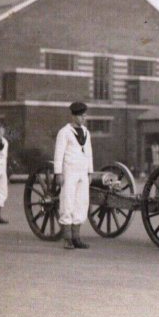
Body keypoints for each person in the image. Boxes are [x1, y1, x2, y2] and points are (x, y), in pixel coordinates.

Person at [54, 102, 94, 250]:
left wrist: (90, 171)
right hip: (69, 172)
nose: (84, 118)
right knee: (68, 202)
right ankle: (68, 239)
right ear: (74, 116)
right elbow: (58, 154)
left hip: (82, 172)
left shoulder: (86, 132)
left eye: (84, 115)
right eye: (81, 116)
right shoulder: (64, 132)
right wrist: (58, 173)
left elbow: (89, 153)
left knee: (81, 203)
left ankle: (77, 237)